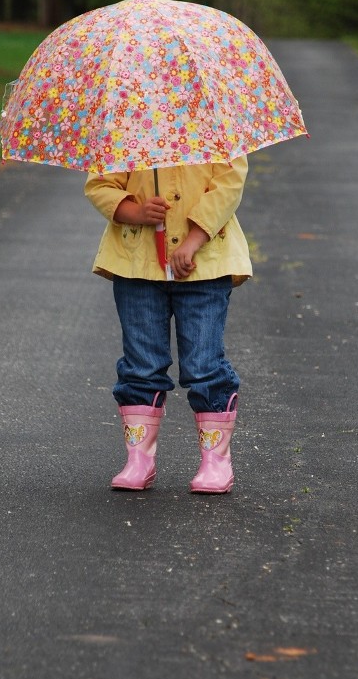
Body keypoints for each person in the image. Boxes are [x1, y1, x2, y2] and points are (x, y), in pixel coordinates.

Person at [84, 158, 252, 493]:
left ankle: (216, 463)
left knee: (204, 364)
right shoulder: (129, 124)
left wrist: (192, 240)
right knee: (141, 364)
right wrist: (136, 212)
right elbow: (100, 184)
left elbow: (228, 185)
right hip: (138, 266)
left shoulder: (217, 123)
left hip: (205, 265)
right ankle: (139, 460)